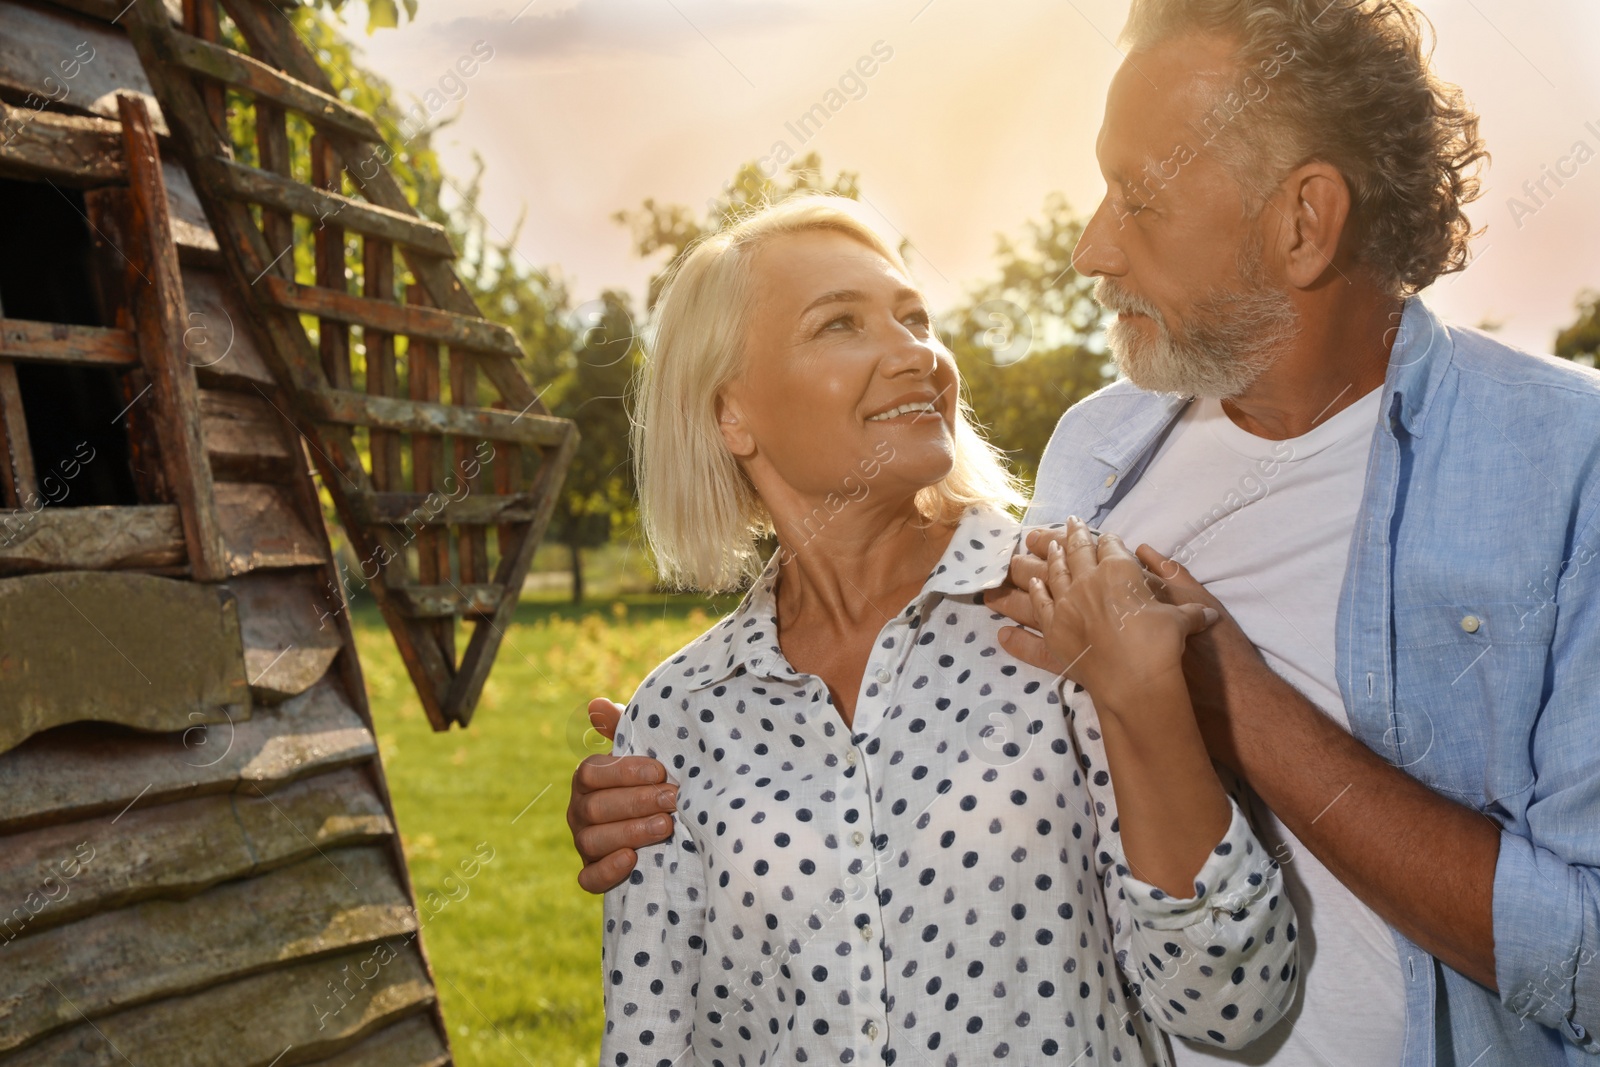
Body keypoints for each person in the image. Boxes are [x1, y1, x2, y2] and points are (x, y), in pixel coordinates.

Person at [570, 1, 1600, 1065]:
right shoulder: (1096, 454)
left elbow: (1589, 955)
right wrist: (704, 768)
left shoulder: (1568, 464)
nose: (1087, 247)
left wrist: (1222, 691)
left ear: (1303, 221)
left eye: (1139, 200)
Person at [596, 194, 1296, 1066]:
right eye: (840, 324)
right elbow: (653, 1041)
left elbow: (1233, 999)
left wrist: (1144, 695)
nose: (916, 354)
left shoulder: (1070, 605)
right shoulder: (678, 711)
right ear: (731, 412)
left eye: (916, 317)